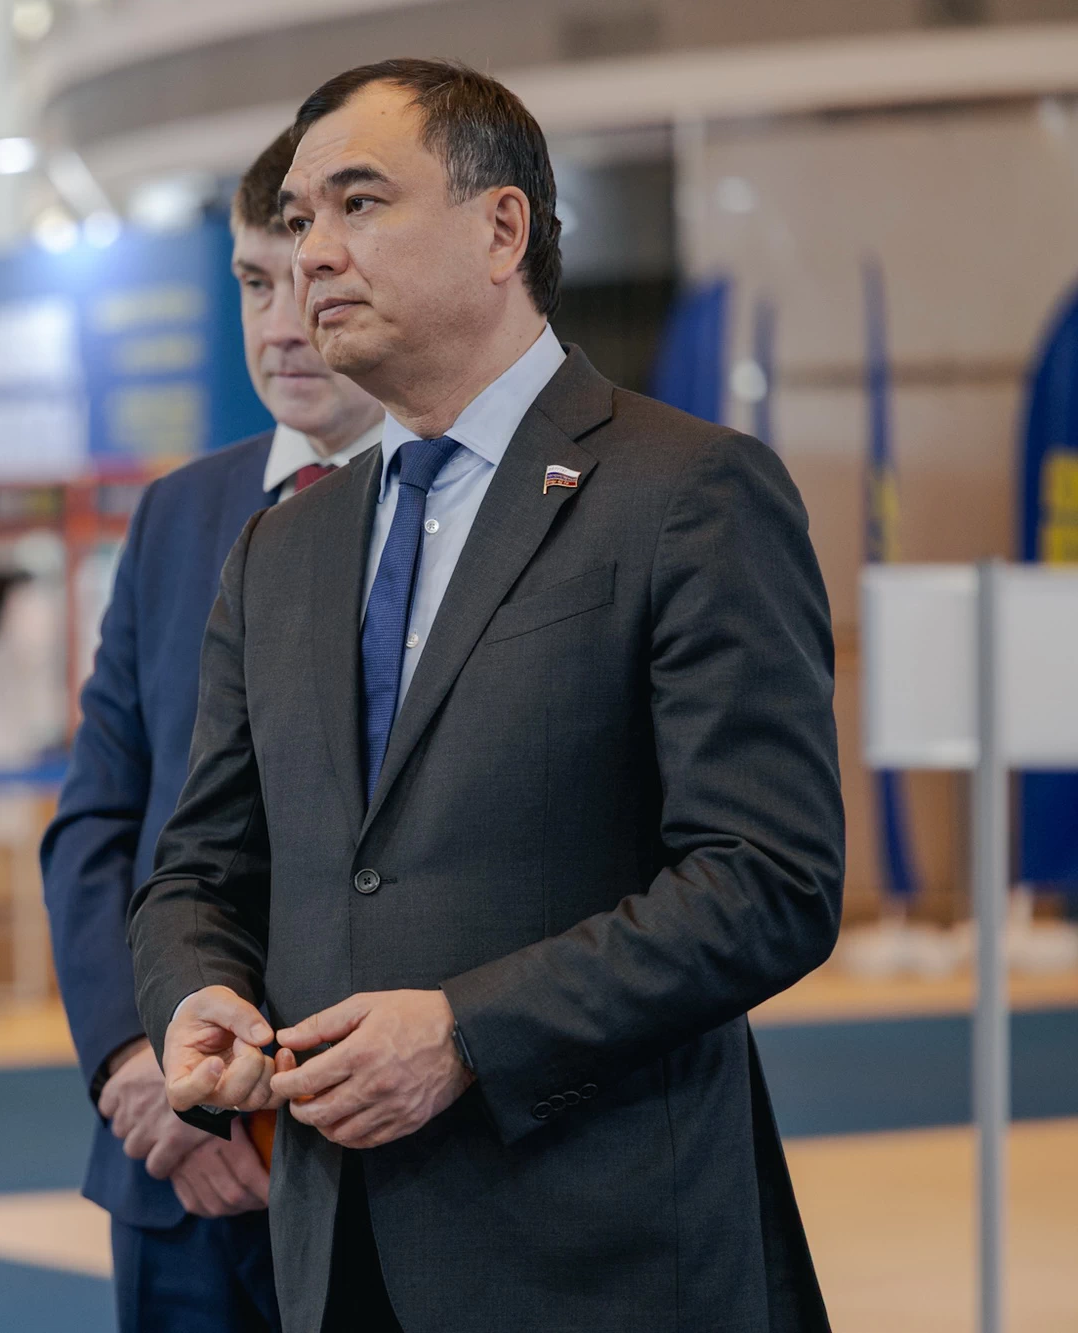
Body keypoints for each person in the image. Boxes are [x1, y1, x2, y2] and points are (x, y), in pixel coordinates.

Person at [129, 60, 842, 1333]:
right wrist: (199, 994)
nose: (311, 255)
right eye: (296, 219)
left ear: (500, 228)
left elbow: (765, 879)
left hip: (602, 1257)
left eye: (358, 204)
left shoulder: (686, 493)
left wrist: (467, 1030)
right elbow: (198, 869)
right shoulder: (281, 548)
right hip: (336, 1253)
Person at [42, 127, 383, 1333]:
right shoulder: (178, 515)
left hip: (379, 1149)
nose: (280, 326)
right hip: (169, 1156)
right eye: (250, 283)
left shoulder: (473, 511)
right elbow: (97, 822)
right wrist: (134, 1067)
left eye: (305, 280)